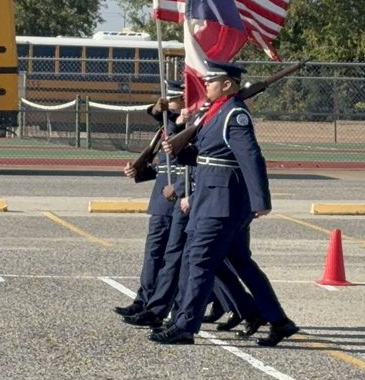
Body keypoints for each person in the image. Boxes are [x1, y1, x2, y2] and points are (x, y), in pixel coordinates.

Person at [151, 61, 299, 346]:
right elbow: (207, 156)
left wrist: (261, 200)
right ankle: (279, 321)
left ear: (228, 84)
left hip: (223, 203)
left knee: (199, 260)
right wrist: (179, 151)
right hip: (211, 200)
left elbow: (251, 157)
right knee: (241, 263)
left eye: (212, 81)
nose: (206, 84)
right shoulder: (216, 112)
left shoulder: (234, 114)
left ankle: (185, 326)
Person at [113, 82, 187, 325]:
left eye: (171, 101)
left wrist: (179, 189)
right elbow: (162, 166)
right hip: (161, 200)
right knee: (154, 253)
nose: (165, 106)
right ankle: (143, 300)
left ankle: (157, 307)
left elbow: (189, 166)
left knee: (175, 258)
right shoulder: (166, 127)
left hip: (178, 198)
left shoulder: (187, 127)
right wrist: (139, 171)